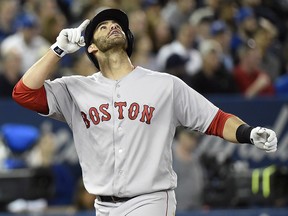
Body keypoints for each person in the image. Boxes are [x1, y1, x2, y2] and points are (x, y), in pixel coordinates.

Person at [12, 8, 277, 216]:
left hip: (151, 199)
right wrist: (57, 51)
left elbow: (216, 120)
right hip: (103, 206)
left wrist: (248, 132)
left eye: (117, 25)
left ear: (128, 38)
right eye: (102, 26)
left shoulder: (164, 84)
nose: (113, 26)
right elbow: (23, 93)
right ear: (91, 47)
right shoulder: (75, 89)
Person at [172, 128, 204, 211]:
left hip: (195, 208)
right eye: (191, 137)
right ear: (181, 135)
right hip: (175, 209)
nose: (193, 141)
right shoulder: (169, 154)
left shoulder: (195, 157)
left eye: (195, 138)